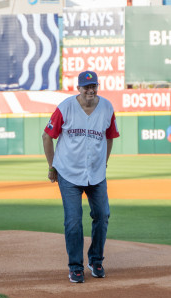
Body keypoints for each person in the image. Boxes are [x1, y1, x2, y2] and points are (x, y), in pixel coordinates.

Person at [42, 70, 120, 283]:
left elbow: (110, 137)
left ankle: (95, 260)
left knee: (102, 215)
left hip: (96, 173)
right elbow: (47, 136)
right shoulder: (65, 107)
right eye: (86, 87)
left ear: (97, 86)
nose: (90, 90)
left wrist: (104, 163)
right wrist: (52, 166)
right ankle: (75, 266)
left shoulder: (106, 108)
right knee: (74, 221)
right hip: (68, 172)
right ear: (79, 88)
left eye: (93, 86)